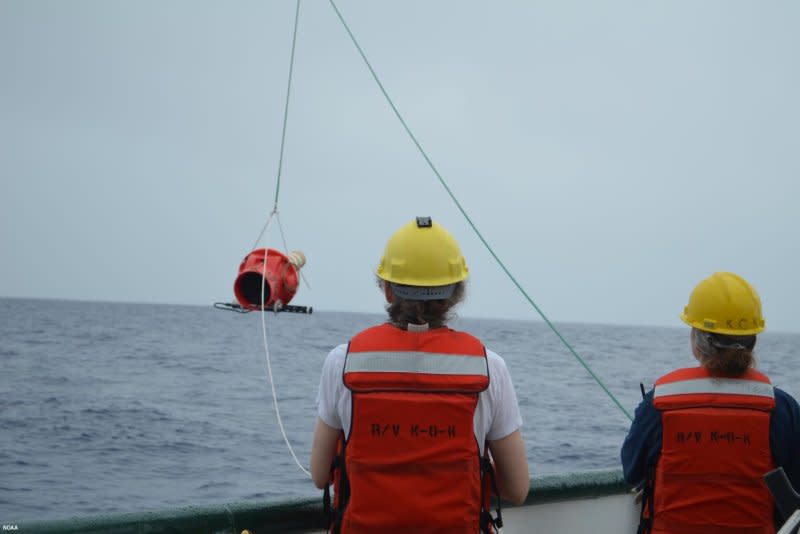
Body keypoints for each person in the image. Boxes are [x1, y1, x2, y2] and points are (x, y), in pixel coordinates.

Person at [310, 216, 529, 533]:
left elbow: (320, 475)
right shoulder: (489, 367)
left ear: (387, 290)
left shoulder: (342, 363)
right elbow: (516, 488)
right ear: (456, 294)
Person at [621, 272, 800, 534]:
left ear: (697, 341)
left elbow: (633, 473)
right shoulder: (781, 409)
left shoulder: (658, 404)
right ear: (753, 341)